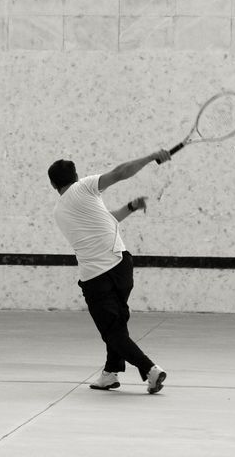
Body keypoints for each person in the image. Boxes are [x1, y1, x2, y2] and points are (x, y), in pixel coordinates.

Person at [48, 149, 171, 394]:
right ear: (77, 175)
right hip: (122, 266)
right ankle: (110, 373)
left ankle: (150, 370)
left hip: (96, 277)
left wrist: (150, 159)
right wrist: (133, 203)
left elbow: (120, 174)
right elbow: (109, 217)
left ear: (53, 184)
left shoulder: (61, 210)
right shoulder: (85, 190)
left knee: (112, 332)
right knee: (117, 328)